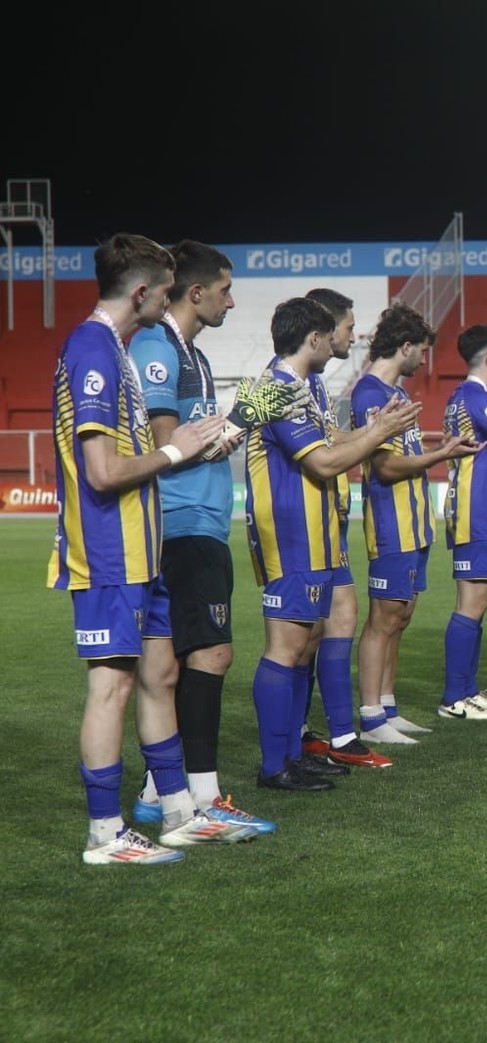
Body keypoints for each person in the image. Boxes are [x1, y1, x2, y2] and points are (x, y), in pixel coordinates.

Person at [52, 233, 255, 863]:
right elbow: (104, 472)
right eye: (165, 292)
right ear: (142, 292)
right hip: (110, 548)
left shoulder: (115, 349)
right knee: (111, 686)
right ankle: (104, 834)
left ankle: (178, 812)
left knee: (159, 679)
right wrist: (180, 448)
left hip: (146, 545)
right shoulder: (94, 349)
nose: (169, 304)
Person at [127, 240, 274, 835]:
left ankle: (157, 794)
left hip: (201, 520)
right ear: (195, 292)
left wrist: (238, 421)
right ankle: (202, 799)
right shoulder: (158, 345)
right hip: (180, 522)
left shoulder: (193, 354)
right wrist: (240, 421)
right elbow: (169, 442)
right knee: (209, 654)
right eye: (225, 289)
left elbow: (194, 437)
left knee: (171, 667)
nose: (231, 302)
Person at [246, 297, 422, 791]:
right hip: (289, 534)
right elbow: (322, 463)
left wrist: (370, 430)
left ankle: (294, 750)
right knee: (286, 646)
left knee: (304, 643)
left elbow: (332, 442)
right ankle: (274, 766)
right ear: (315, 338)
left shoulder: (307, 385)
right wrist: (380, 433)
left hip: (317, 531)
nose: (342, 341)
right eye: (337, 332)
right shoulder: (275, 389)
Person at [351, 302, 482, 745]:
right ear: (404, 347)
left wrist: (434, 441)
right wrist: (443, 454)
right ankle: (370, 717)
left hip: (414, 521)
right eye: (421, 351)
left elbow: (401, 447)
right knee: (383, 618)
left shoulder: (398, 395)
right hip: (390, 521)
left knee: (401, 616)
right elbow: (385, 467)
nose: (423, 359)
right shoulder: (369, 394)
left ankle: (387, 706)